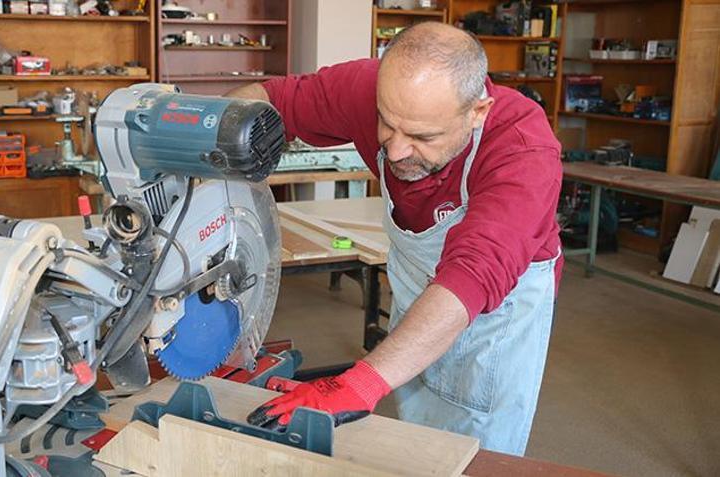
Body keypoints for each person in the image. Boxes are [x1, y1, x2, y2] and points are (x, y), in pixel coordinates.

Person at [227, 22, 562, 456]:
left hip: (495, 313)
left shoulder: (523, 149)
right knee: (418, 436)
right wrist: (213, 145)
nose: (397, 150)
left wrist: (359, 384)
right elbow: (267, 99)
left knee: (474, 452)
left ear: (477, 112)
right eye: (388, 123)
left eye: (423, 137)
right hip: (418, 281)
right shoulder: (369, 87)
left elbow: (473, 274)